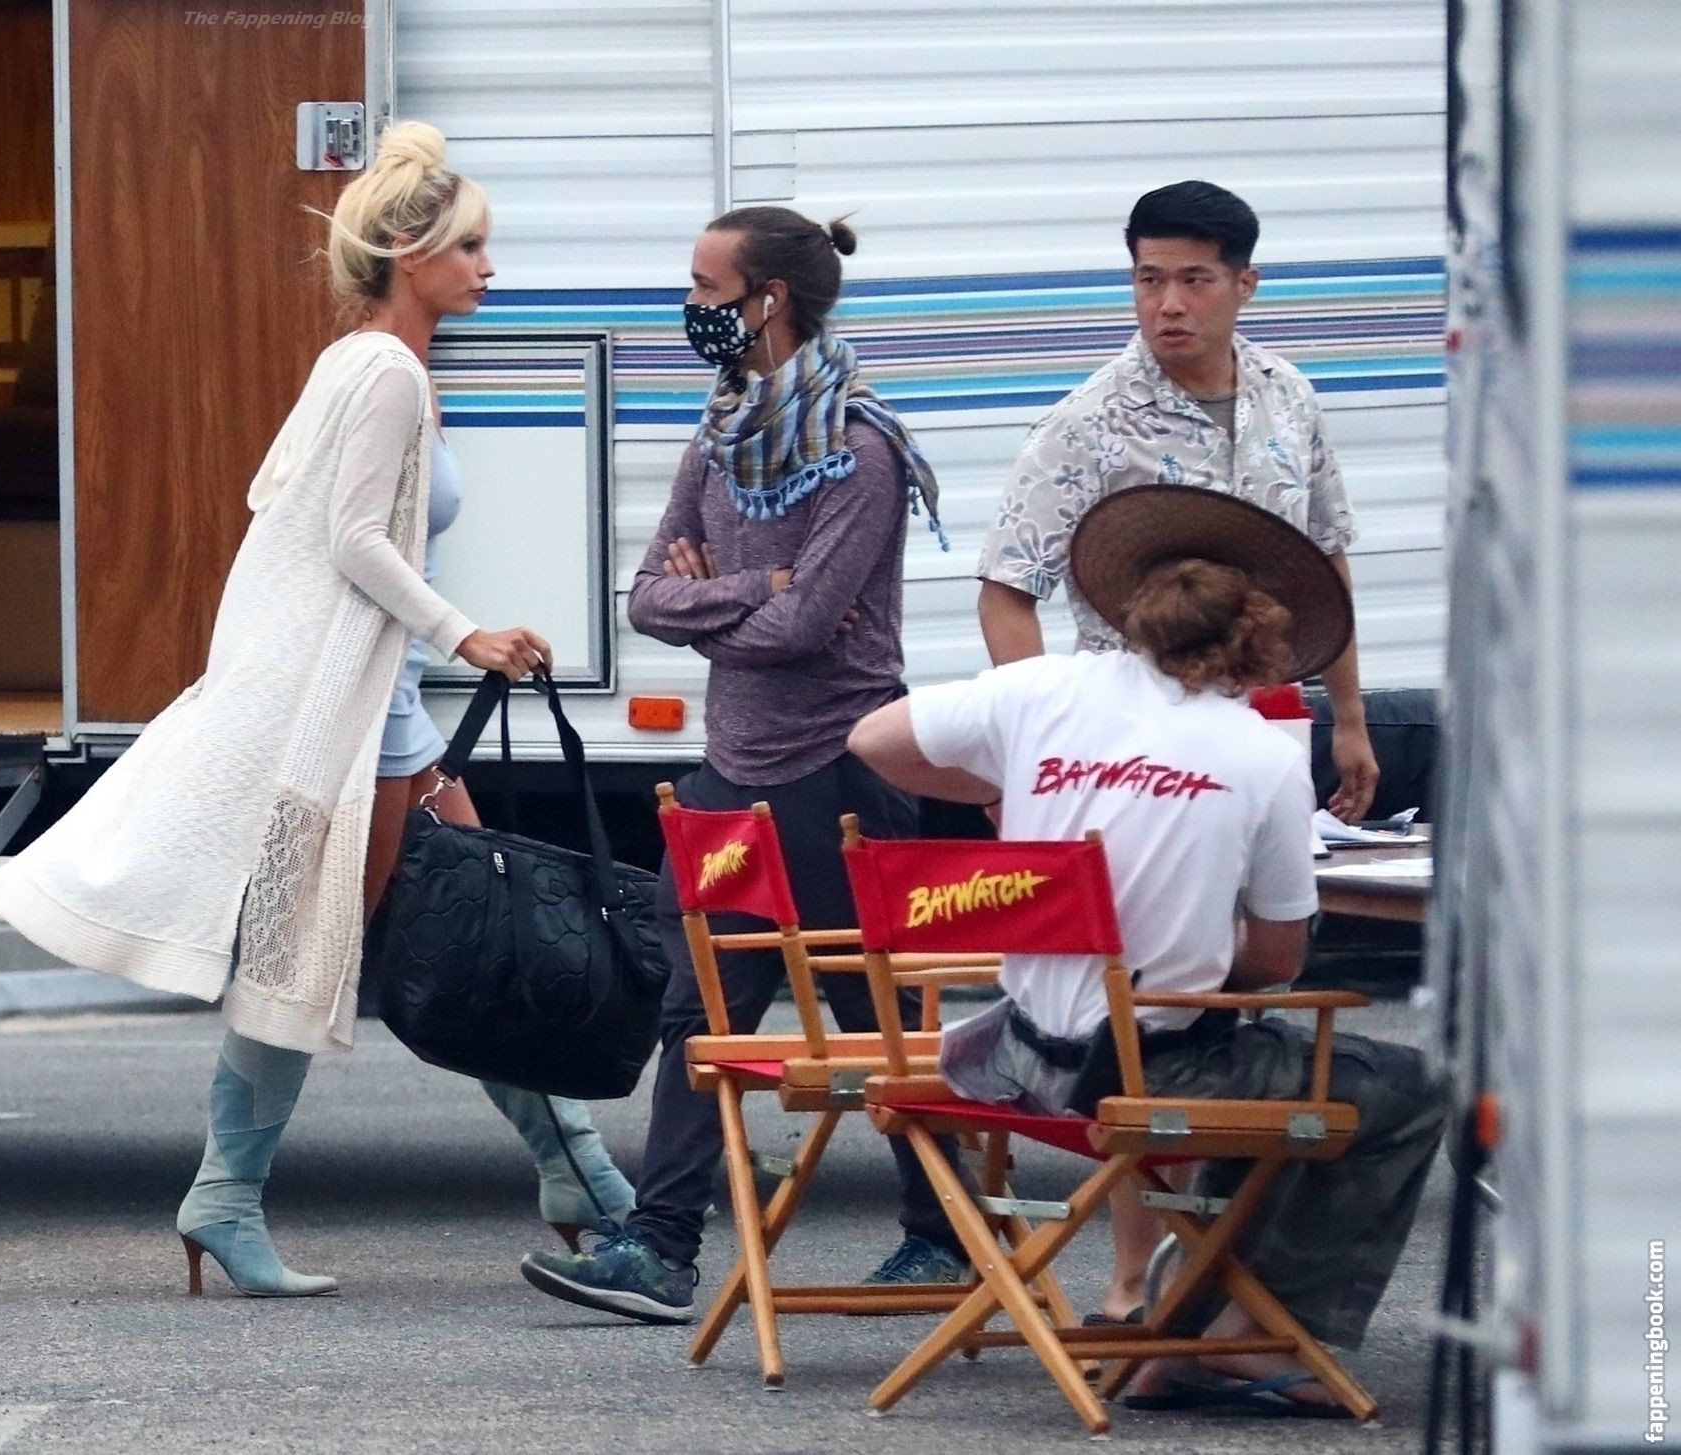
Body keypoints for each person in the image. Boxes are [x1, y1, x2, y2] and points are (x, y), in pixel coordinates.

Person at [0, 121, 631, 1297]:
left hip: (390, 712)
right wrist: (464, 633)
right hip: (365, 719)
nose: (489, 267)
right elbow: (349, 539)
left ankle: (578, 1172)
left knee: (487, 932)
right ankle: (229, 1197)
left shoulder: (362, 361)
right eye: (470, 247)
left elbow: (282, 506)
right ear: (410, 255)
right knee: (306, 954)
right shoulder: (388, 374)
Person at [849, 486, 1445, 1413]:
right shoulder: (1262, 756)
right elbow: (1276, 964)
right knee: (1397, 1084)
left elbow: (873, 737)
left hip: (1014, 1054)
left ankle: (1184, 1324)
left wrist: (1005, 791)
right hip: (1142, 1073)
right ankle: (1246, 1330)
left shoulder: (1045, 689)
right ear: (1261, 636)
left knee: (1260, 1065)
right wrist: (1192, 939)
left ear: (1140, 613)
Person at [519, 205, 968, 1325]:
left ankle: (945, 1236)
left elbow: (811, 625)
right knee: (700, 1008)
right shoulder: (718, 435)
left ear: (771, 300)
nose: (693, 310)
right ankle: (661, 1249)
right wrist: (751, 591)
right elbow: (645, 600)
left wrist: (721, 603)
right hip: (733, 771)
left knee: (878, 1011)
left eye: (707, 291)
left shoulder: (860, 448)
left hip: (841, 769)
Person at [972, 179, 1384, 1320]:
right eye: (1148, 279)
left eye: (1194, 279)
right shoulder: (1091, 419)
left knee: (1246, 985)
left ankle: (1213, 1270)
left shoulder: (1289, 395)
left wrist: (1349, 714)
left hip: (1261, 726)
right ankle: (1130, 1277)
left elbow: (1328, 561)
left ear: (1245, 284)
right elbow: (1007, 584)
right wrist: (1035, 738)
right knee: (1153, 1002)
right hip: (1138, 741)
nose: (1168, 304)